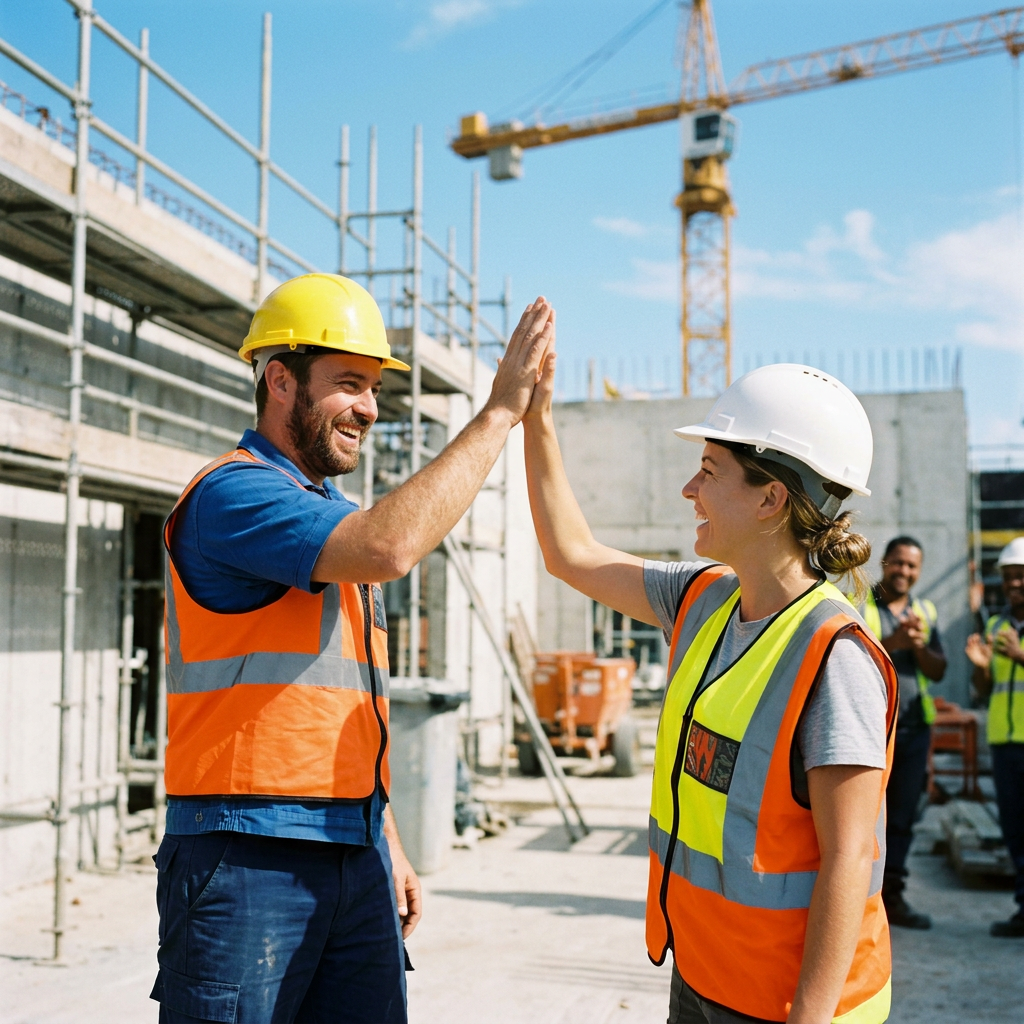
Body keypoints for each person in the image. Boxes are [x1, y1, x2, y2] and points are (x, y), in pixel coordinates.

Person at [150, 274, 553, 1023]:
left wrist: (385, 835)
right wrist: (499, 412)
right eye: (348, 384)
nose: (369, 407)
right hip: (246, 853)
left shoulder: (330, 516)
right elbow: (392, 545)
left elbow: (347, 710)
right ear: (279, 379)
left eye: (373, 386)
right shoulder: (231, 497)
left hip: (351, 844)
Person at [523, 347, 897, 1024]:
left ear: (771, 500)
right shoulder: (701, 599)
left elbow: (849, 859)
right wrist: (536, 419)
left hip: (785, 1004)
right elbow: (569, 555)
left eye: (708, 472)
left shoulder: (834, 657)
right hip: (704, 977)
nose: (690, 491)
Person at [857, 537, 946, 929]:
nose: (904, 572)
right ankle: (858, 899)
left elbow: (938, 670)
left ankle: (892, 895)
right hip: (871, 730)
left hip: (912, 730)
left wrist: (919, 646)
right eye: (898, 564)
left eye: (912, 566)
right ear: (885, 563)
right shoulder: (863, 604)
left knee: (904, 817)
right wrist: (894, 642)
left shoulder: (924, 611)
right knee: (864, 818)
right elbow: (853, 657)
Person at [966, 536, 1024, 938]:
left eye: (1020, 576)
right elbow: (985, 690)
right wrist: (982, 668)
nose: (1014, 584)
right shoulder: (996, 625)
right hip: (1004, 742)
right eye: (1008, 577)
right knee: (1015, 829)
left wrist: (1020, 655)